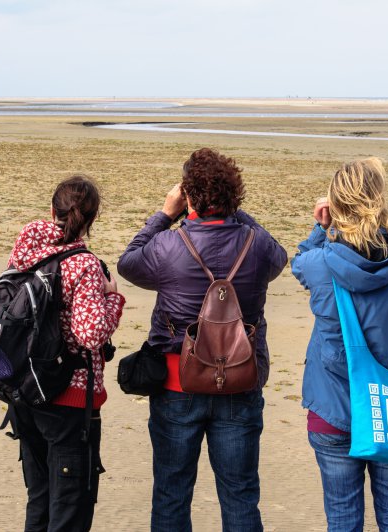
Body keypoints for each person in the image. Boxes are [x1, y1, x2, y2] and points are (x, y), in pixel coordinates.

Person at [117, 147, 287, 532]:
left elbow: (128, 263)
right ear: (234, 195)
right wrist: (234, 213)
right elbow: (278, 255)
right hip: (240, 382)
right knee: (240, 495)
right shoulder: (255, 245)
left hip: (178, 384)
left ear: (188, 197)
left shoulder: (168, 246)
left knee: (172, 494)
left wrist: (164, 213)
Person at [291, 157, 388, 532]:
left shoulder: (321, 264)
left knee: (342, 518)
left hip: (332, 409)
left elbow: (299, 263)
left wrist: (320, 227)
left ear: (336, 207)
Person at [7, 175, 125, 532]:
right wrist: (113, 299)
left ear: (52, 209)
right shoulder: (83, 264)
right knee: (70, 508)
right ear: (91, 219)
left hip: (24, 390)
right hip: (67, 400)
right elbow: (90, 335)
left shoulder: (24, 254)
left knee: (39, 500)